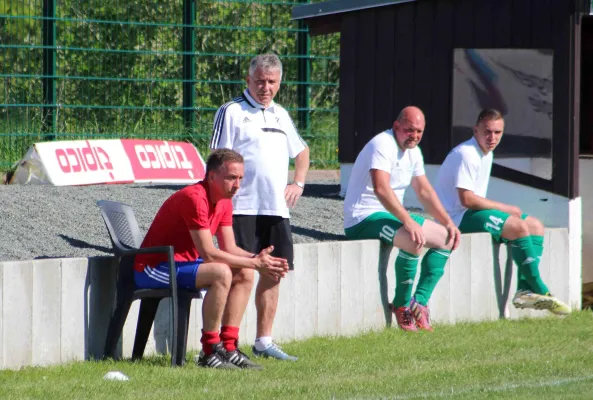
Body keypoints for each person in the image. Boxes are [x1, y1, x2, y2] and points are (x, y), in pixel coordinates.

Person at [133, 149, 289, 369]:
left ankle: (228, 346)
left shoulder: (224, 200)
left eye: (240, 178)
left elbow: (230, 248)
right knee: (221, 272)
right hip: (152, 267)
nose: (237, 185)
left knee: (243, 272)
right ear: (212, 176)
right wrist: (255, 263)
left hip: (182, 264)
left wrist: (259, 259)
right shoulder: (194, 198)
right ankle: (209, 351)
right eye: (231, 178)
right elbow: (209, 253)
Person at [210, 54, 310, 360]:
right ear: (248, 81)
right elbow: (216, 158)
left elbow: (302, 152)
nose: (265, 87)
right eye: (260, 81)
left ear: (279, 83)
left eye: (271, 82)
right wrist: (221, 202)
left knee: (275, 272)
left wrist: (299, 183)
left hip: (276, 209)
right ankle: (228, 344)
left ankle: (264, 341)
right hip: (241, 207)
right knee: (242, 274)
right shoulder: (232, 111)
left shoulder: (280, 114)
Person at [433, 108, 571, 315]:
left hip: (469, 214)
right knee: (518, 226)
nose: (492, 137)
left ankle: (524, 289)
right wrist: (506, 208)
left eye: (497, 132)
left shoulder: (486, 154)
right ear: (475, 130)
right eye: (487, 131)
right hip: (454, 218)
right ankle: (540, 289)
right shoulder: (467, 154)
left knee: (535, 225)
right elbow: (467, 199)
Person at [343, 106, 461, 332]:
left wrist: (448, 222)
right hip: (363, 218)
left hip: (388, 215)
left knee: (447, 238)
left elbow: (424, 191)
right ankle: (401, 306)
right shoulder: (382, 144)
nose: (414, 136)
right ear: (396, 126)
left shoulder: (414, 151)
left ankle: (420, 303)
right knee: (412, 239)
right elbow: (381, 189)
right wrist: (408, 221)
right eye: (409, 130)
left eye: (419, 131)